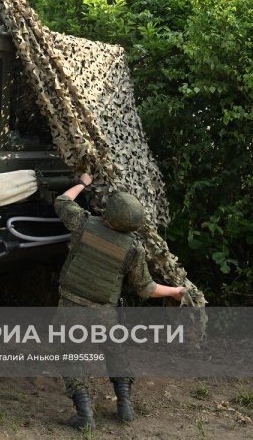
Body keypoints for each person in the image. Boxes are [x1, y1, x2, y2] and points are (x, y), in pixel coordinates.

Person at [55, 173, 185, 431]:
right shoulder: (133, 249)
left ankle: (85, 415)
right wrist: (175, 291)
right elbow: (146, 288)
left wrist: (82, 183)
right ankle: (124, 404)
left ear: (109, 213)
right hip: (105, 311)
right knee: (115, 351)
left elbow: (61, 202)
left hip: (72, 305)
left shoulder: (84, 224)